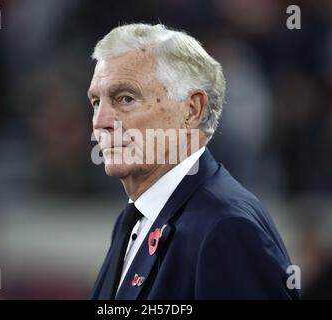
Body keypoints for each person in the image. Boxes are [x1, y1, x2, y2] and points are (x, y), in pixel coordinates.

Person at [87, 23, 300, 300]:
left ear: (191, 110)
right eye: (95, 102)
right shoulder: (132, 222)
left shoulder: (227, 230)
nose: (101, 123)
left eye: (126, 98)